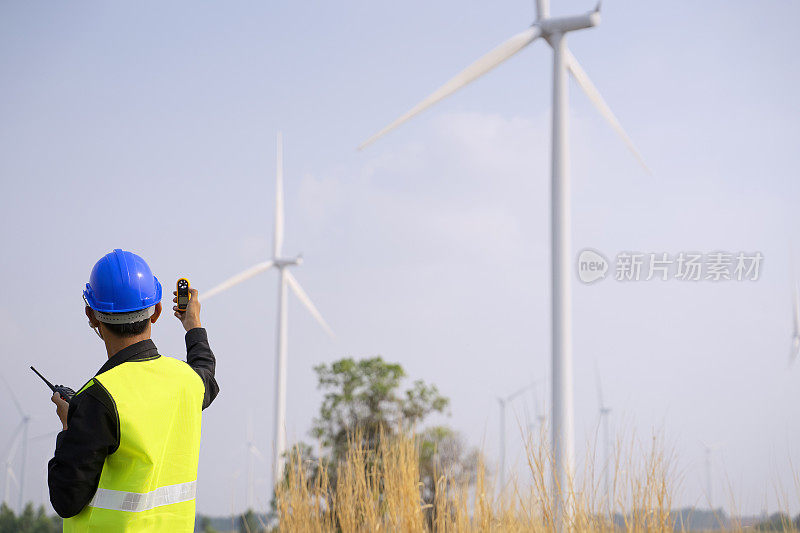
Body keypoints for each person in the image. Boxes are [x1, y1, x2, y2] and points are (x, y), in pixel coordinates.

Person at [48, 249, 219, 532]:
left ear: (91, 315)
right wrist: (193, 325)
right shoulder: (188, 382)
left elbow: (66, 499)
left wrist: (68, 427)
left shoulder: (96, 399)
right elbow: (207, 374)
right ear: (158, 312)